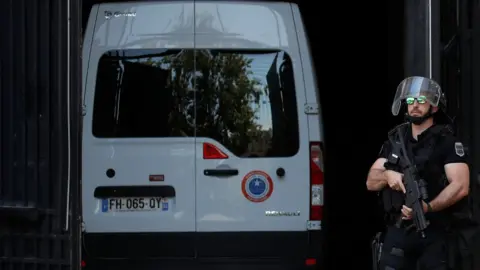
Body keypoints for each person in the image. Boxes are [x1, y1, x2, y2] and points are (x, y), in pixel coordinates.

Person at [366, 76, 471, 269]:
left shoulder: (446, 142)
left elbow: (461, 186)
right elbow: (371, 181)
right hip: (398, 232)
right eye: (411, 100)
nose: (415, 105)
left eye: (422, 100)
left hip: (433, 234)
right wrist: (388, 175)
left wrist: (427, 207)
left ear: (434, 107)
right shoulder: (396, 140)